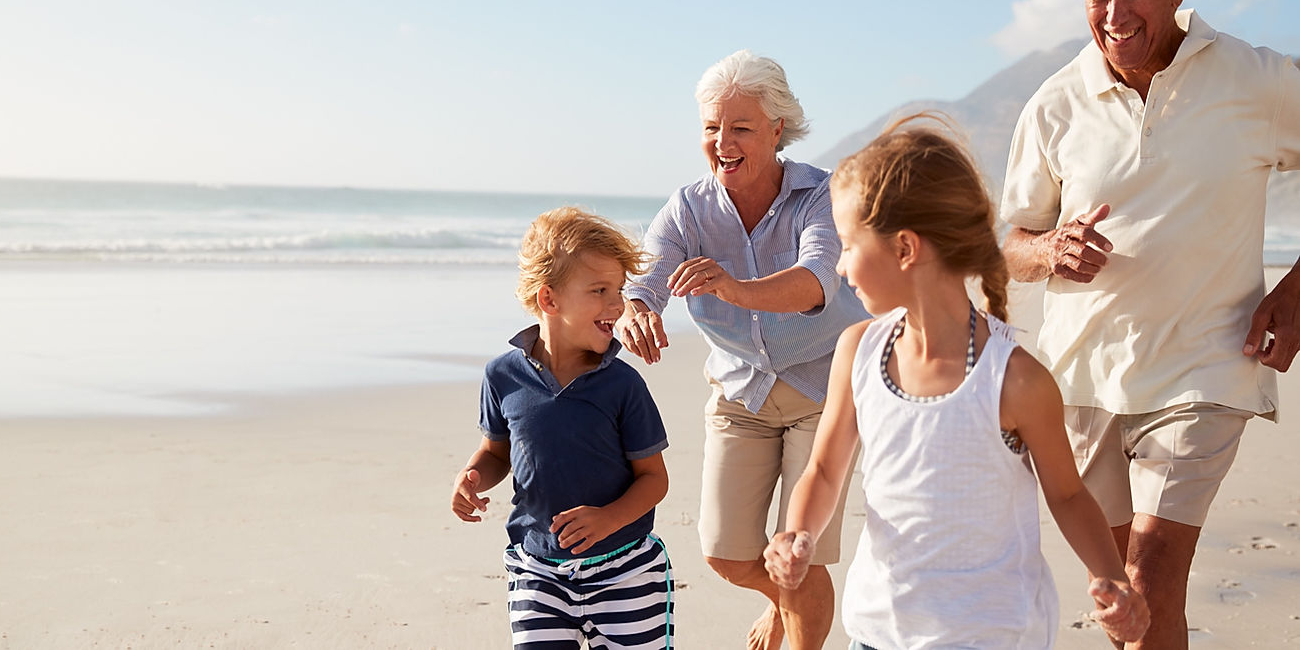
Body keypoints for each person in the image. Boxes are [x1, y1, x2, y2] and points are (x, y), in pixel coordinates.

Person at [1000, 0, 1300, 647]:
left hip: (1206, 366)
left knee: (1148, 576)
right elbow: (1006, 242)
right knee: (1123, 606)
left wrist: (1296, 288)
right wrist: (1048, 250)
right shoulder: (1053, 103)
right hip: (1080, 379)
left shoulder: (1256, 80)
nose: (1113, 13)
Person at [764, 115, 1151, 650]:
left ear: (904, 249)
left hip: (990, 633)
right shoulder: (858, 351)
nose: (842, 267)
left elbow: (1067, 495)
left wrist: (1112, 578)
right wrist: (796, 532)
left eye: (849, 246)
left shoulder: (1013, 380)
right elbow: (826, 471)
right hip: (880, 630)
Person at [617, 50, 867, 650]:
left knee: (796, 556)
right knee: (725, 554)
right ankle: (783, 605)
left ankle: (798, 621)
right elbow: (641, 282)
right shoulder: (687, 208)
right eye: (711, 128)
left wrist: (731, 286)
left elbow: (815, 282)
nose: (722, 142)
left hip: (825, 393)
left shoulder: (819, 196)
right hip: (740, 392)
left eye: (741, 128)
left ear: (777, 129)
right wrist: (637, 312)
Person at [451, 207, 674, 649]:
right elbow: (496, 452)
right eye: (599, 290)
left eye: (619, 291)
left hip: (625, 571)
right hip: (537, 569)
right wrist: (473, 475)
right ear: (549, 300)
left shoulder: (622, 384)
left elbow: (654, 479)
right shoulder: (502, 376)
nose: (617, 305)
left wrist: (609, 518)